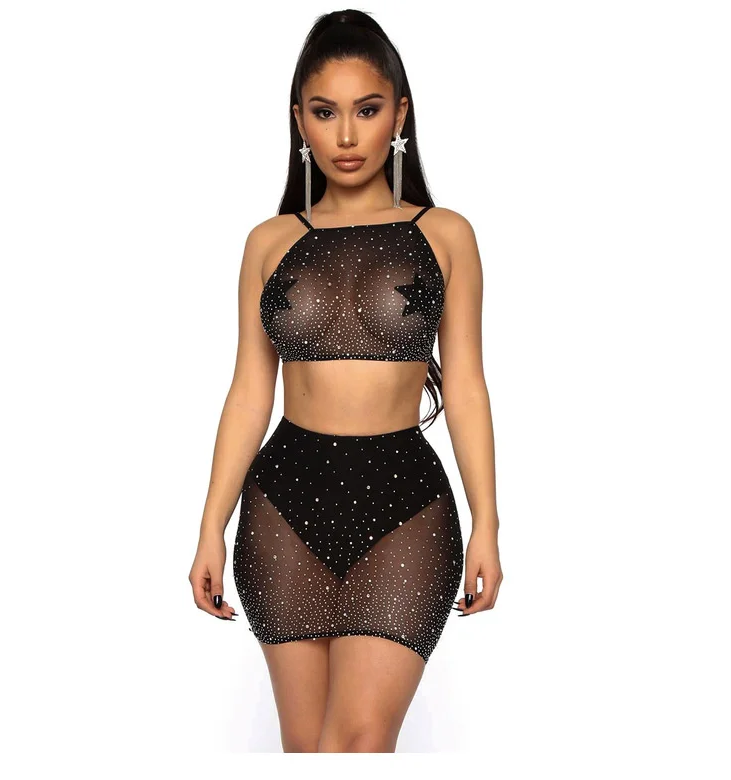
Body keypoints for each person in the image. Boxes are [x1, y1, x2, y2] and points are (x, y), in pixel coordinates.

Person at [188, 9, 502, 753]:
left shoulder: (446, 235)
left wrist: (488, 521)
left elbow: (466, 388)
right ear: (299, 121)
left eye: (367, 109)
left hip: (405, 510)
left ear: (400, 113)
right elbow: (249, 393)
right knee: (307, 754)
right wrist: (210, 527)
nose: (348, 136)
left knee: (355, 745)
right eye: (325, 113)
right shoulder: (269, 242)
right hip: (283, 509)